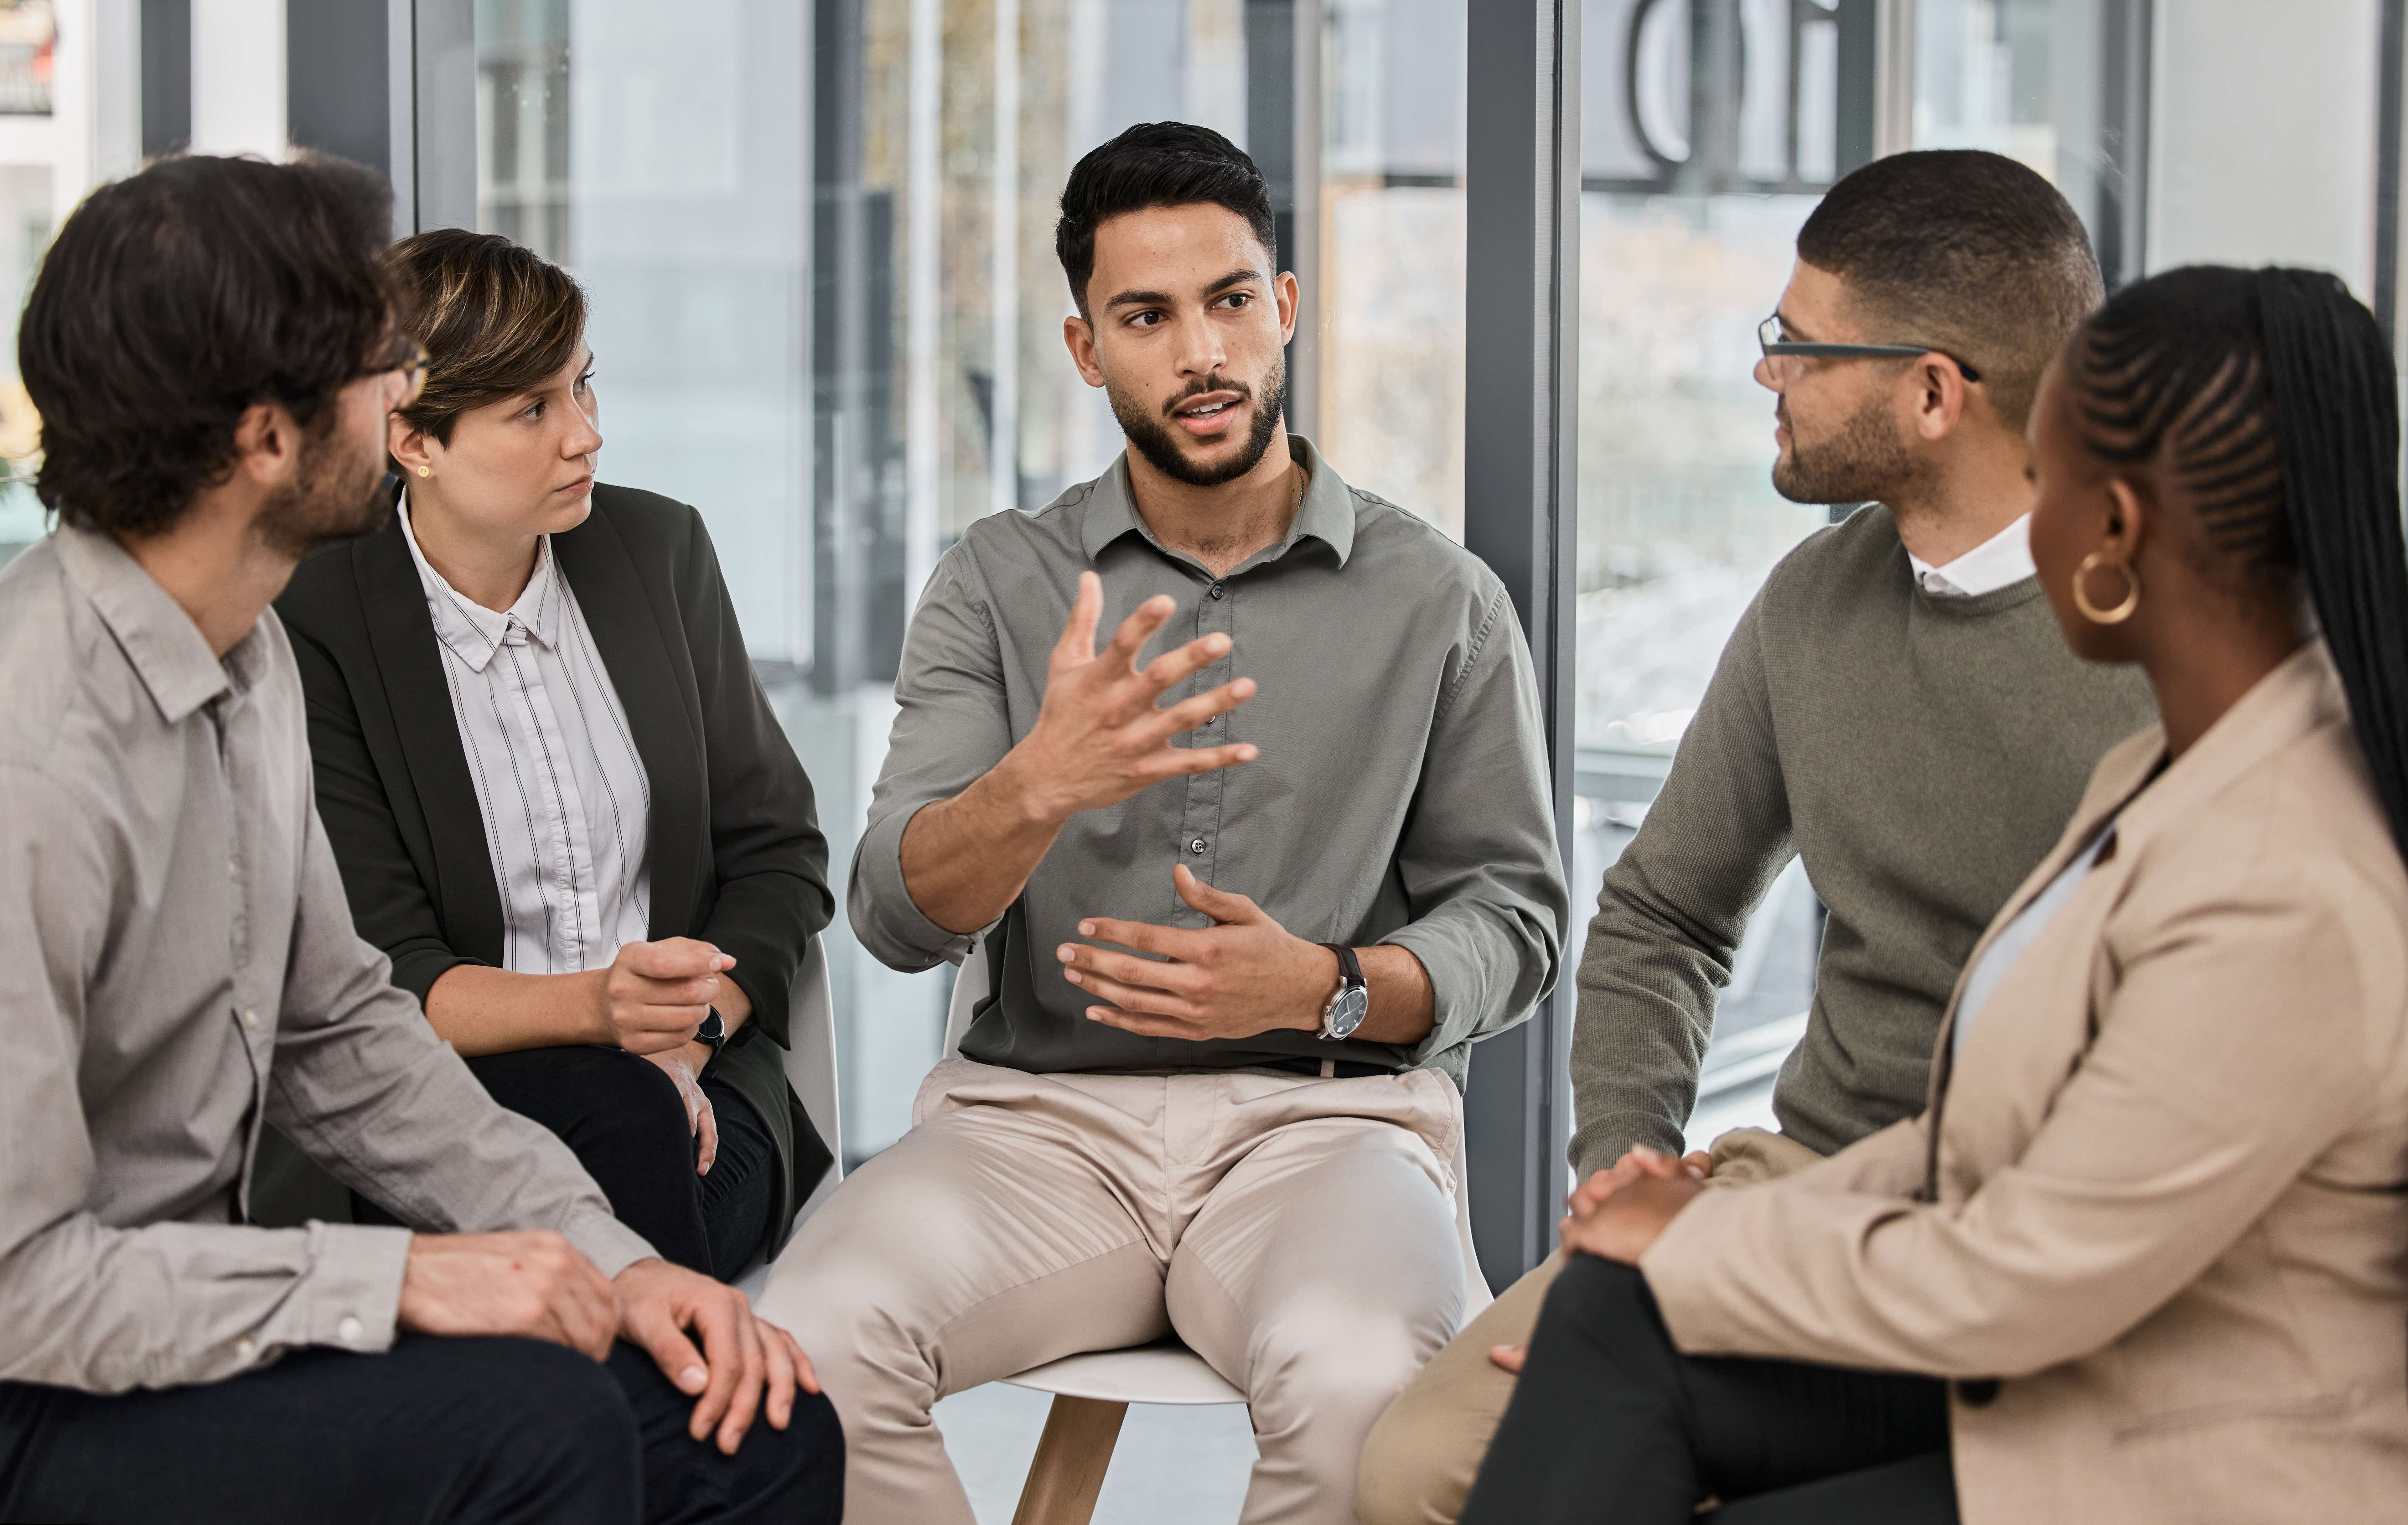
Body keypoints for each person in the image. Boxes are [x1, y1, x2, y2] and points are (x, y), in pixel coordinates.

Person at [1463, 265, 2408, 1522]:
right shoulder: (2168, 770)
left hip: (2163, 1438)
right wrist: (1655, 1218)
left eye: (2052, 481)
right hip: (2047, 1339)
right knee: (1611, 1317)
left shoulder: (2287, 881)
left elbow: (2023, 1275)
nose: (2031, 517)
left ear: (2115, 529)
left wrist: (1700, 1249)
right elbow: (1971, 1152)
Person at [0, 153, 840, 1523]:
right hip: (49, 1387)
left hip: (206, 1319)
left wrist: (611, 1257)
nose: (404, 396)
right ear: (269, 437)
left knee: (754, 1422)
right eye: (377, 366)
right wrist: (397, 1281)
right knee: (543, 1428)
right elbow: (21, 1288)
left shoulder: (247, 659)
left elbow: (341, 1032)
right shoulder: (31, 750)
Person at [757, 121, 1568, 1525]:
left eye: (1230, 301)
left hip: (1323, 1132)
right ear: (1087, 349)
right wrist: (1038, 785)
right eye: (1147, 316)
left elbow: (1519, 918)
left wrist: (1331, 988)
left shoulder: (1441, 600)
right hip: (1034, 1128)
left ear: (1287, 309)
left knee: (1365, 1374)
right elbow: (893, 918)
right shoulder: (997, 584)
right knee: (813, 1339)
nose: (1200, 352)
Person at [1358, 148, 2157, 1524]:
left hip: (2042, 1232)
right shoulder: (1813, 604)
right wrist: (1627, 1156)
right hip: (1800, 1178)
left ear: (1931, 392)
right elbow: (1667, 911)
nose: (1764, 373)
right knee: (1418, 1470)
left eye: (1797, 344)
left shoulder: (2169, 650)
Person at [267, 229, 834, 1281]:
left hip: (700, 1097)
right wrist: (601, 1019)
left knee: (625, 1152)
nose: (585, 437)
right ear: (411, 438)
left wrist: (685, 1041)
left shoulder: (660, 554)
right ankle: (685, 1421)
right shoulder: (316, 621)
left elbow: (780, 855)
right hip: (450, 1117)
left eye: (583, 388)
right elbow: (390, 974)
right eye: (532, 409)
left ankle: (645, 1420)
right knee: (611, 1132)